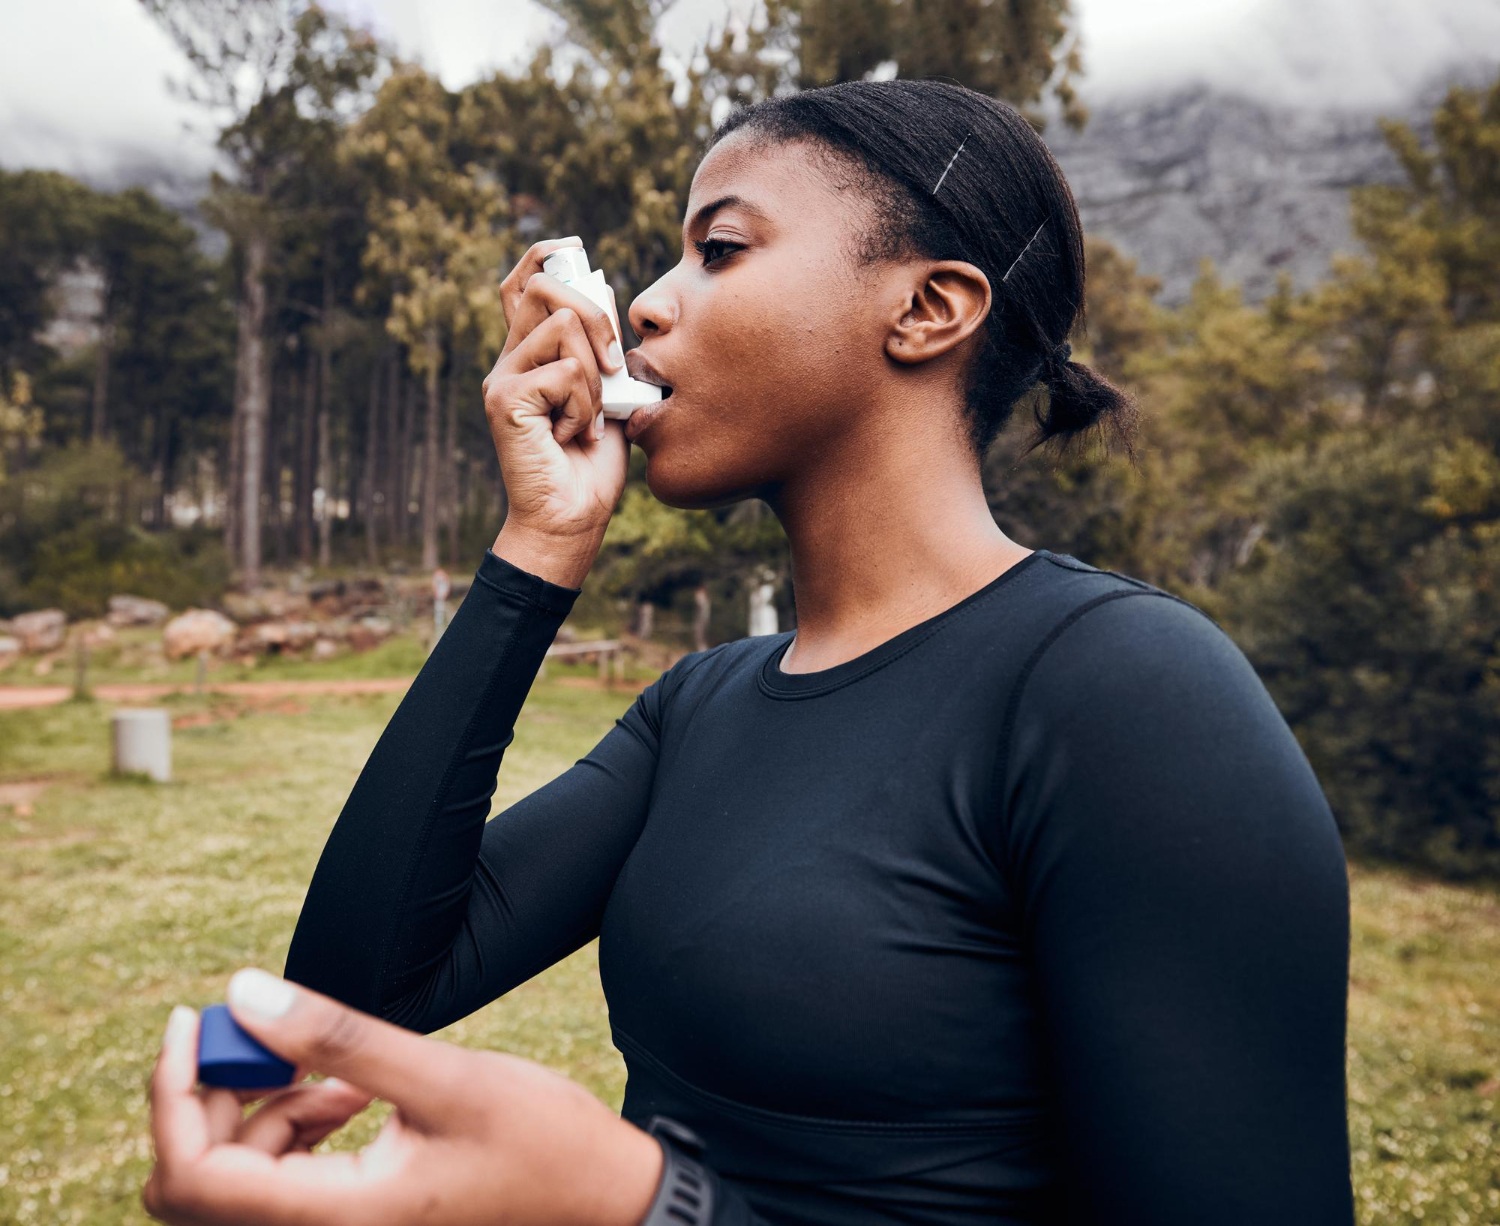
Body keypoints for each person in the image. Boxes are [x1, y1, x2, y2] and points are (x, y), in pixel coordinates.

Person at [144, 78, 1355, 1225]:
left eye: (718, 250)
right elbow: (358, 994)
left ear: (928, 308)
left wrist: (648, 1203)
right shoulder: (699, 709)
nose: (651, 305)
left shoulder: (1127, 693)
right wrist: (540, 545)